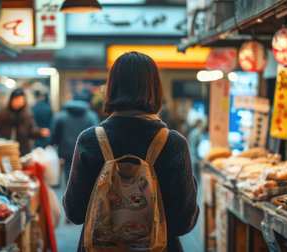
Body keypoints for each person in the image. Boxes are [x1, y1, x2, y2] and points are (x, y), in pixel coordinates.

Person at [63, 52, 199, 251]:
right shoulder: (173, 143)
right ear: (155, 89)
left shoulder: (90, 139)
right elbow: (182, 223)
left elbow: (74, 213)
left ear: (111, 89)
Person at [50, 94, 100, 186]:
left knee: (68, 178)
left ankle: (68, 199)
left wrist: (52, 145)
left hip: (67, 152)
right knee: (86, 179)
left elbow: (55, 134)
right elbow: (97, 134)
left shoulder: (61, 116)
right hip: (87, 152)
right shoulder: (92, 116)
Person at [0, 88, 49, 156]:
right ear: (11, 100)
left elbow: (32, 131)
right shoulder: (3, 113)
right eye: (16, 99)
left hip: (23, 150)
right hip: (4, 149)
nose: (19, 102)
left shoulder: (27, 114)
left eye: (21, 100)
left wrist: (39, 132)